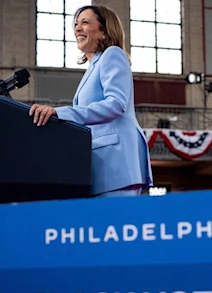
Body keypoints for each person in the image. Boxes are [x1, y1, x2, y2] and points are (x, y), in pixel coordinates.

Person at [29, 5, 153, 198]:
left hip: (116, 164)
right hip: (100, 166)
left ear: (104, 32)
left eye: (85, 22)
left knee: (116, 226)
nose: (77, 28)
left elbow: (116, 104)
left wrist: (60, 113)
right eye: (76, 24)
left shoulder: (112, 54)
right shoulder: (94, 66)